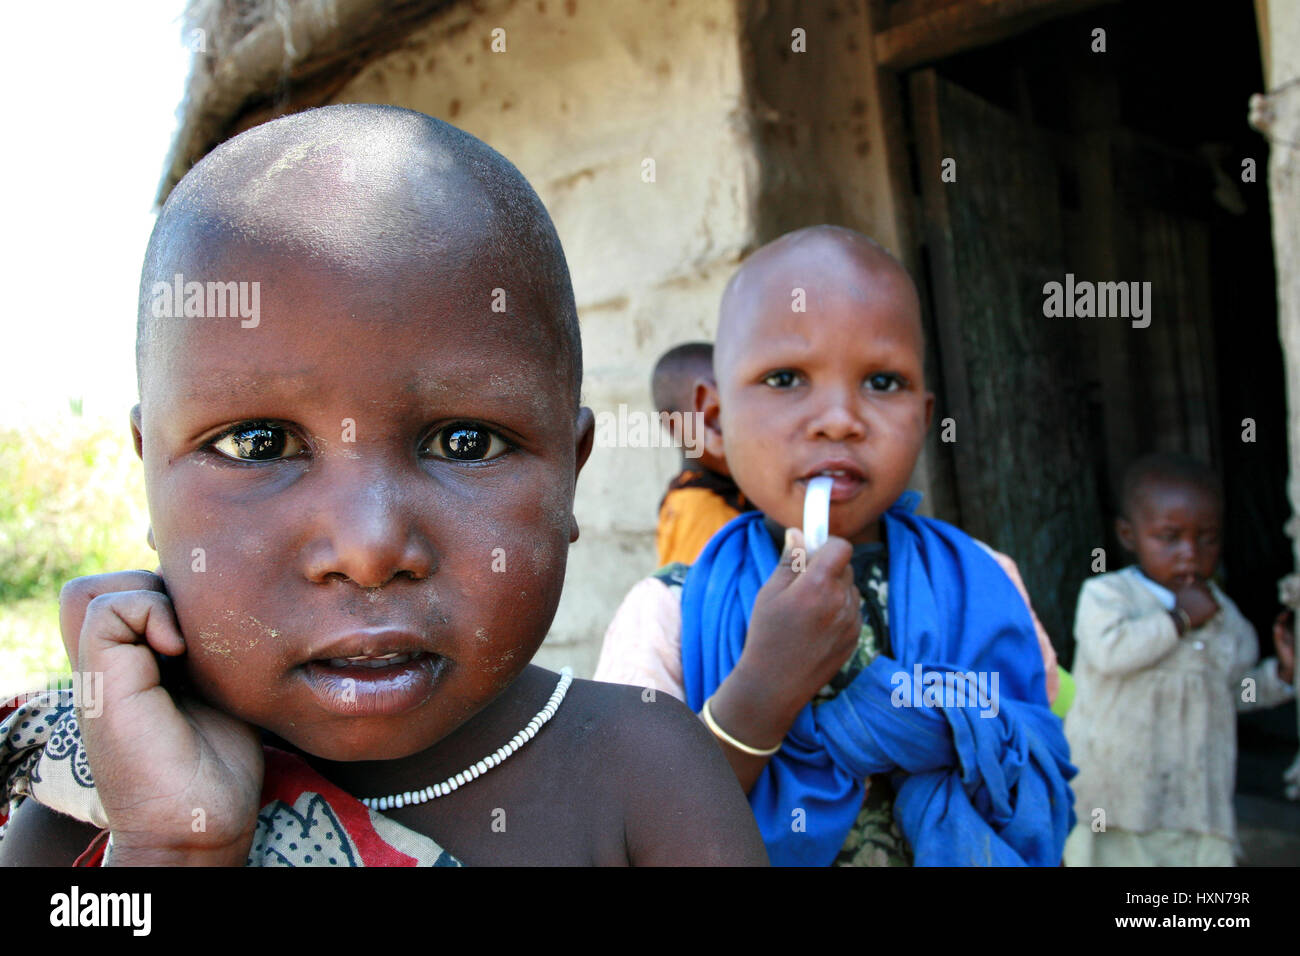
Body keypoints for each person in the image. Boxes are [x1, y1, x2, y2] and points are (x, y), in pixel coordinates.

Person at [0, 104, 767, 867]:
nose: (368, 550)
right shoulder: (93, 817)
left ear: (573, 472)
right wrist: (173, 845)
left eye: (465, 442)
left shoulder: (647, 773)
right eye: (258, 444)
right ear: (148, 476)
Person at [595, 225, 1075, 866]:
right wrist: (764, 688)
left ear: (923, 419)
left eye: (882, 383)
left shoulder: (986, 578)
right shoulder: (665, 615)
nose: (841, 418)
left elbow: (1044, 754)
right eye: (787, 377)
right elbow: (633, 835)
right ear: (713, 419)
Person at [1064, 453, 1295, 866]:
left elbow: (1233, 690)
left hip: (1196, 807)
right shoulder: (1107, 597)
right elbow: (1112, 653)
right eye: (1169, 537)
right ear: (1128, 534)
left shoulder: (1222, 616)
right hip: (1116, 803)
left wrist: (1282, 672)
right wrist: (1180, 618)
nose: (1189, 553)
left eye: (1206, 538)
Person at [651, 342, 751, 567]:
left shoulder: (716, 492)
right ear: (674, 425)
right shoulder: (703, 511)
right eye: (713, 416)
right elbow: (700, 600)